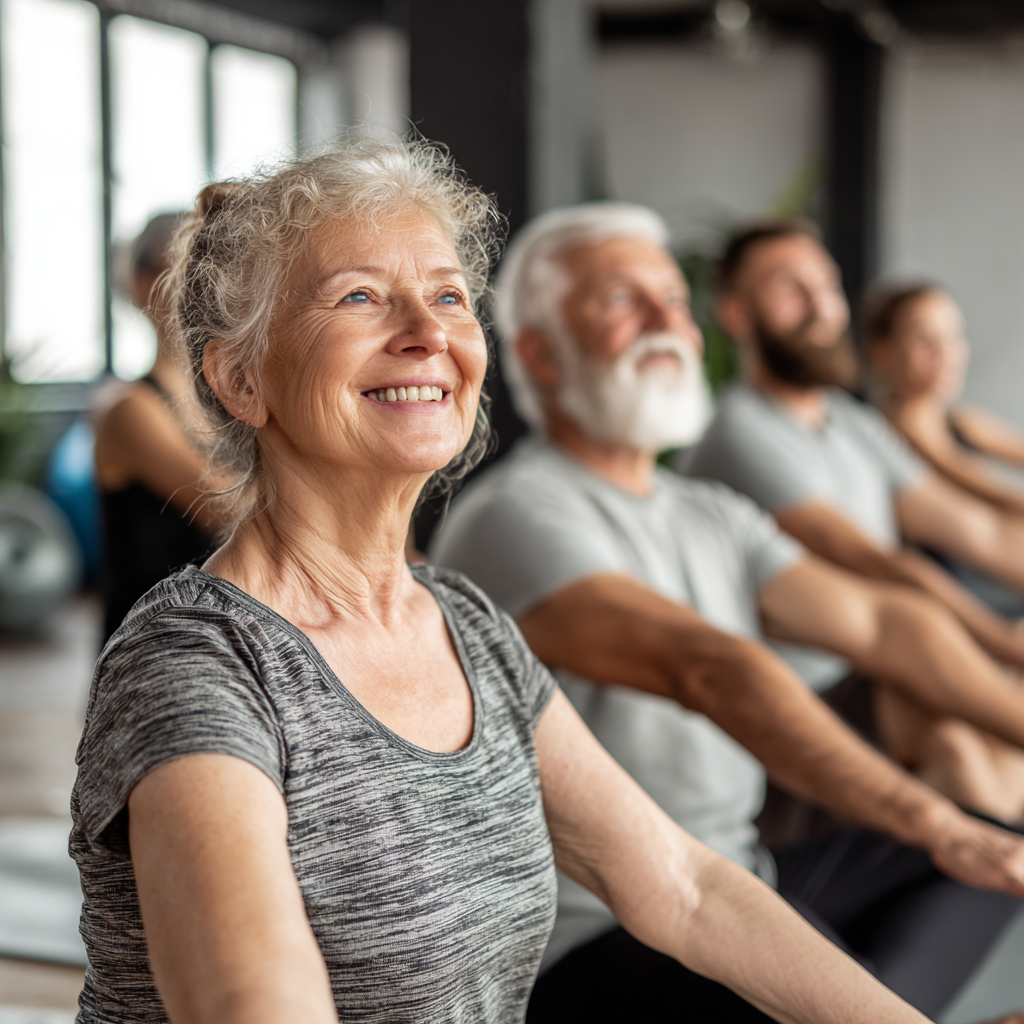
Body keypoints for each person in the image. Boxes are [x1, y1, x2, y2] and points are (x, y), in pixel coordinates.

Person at [69, 139, 930, 1024]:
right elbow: (252, 1005)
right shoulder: (196, 665)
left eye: (447, 296)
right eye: (360, 297)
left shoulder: (464, 624)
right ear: (241, 379)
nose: (428, 333)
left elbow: (684, 886)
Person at [428, 202, 1024, 1023]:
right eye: (621, 300)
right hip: (602, 929)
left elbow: (885, 624)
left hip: (738, 877)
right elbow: (707, 669)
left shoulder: (706, 510)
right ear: (538, 352)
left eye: (673, 299)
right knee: (947, 848)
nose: (665, 322)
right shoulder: (518, 513)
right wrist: (931, 818)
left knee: (993, 854)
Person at [689, 220, 1024, 669]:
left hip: (881, 668)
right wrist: (1002, 642)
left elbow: (979, 530)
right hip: (811, 688)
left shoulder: (851, 421)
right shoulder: (739, 432)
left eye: (827, 284)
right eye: (791, 289)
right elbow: (873, 562)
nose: (820, 305)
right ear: (735, 315)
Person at [92, 213, 224, 645]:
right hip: (151, 644)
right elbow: (228, 511)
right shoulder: (128, 409)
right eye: (190, 269)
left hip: (218, 637)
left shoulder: (229, 402)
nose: (208, 285)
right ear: (143, 283)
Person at [865, 282, 1024, 515]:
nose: (945, 351)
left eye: (954, 335)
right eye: (923, 338)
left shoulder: (960, 420)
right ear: (882, 351)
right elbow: (996, 496)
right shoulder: (902, 428)